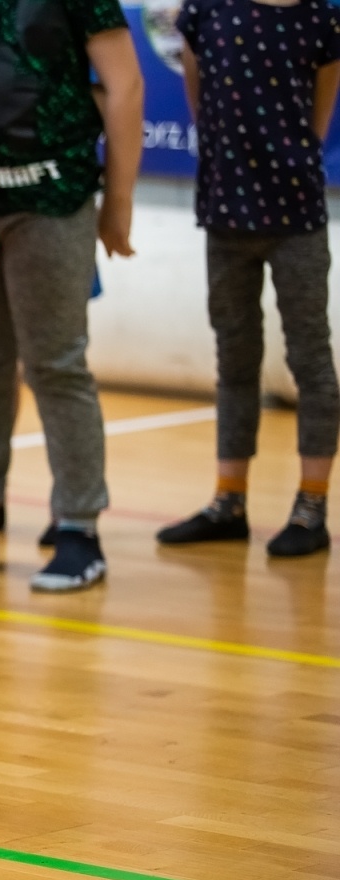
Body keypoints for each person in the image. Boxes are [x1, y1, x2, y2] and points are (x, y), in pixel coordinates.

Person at [0, 0, 143, 591]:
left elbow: (125, 85)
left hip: (55, 194)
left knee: (56, 363)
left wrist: (119, 200)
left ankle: (78, 525)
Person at [157, 0, 340, 557]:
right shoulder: (207, 10)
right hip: (225, 210)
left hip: (296, 216)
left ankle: (311, 507)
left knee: (310, 357)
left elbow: (318, 117)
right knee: (234, 357)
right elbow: (198, 94)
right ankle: (228, 502)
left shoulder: (320, 18)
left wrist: (287, 157)